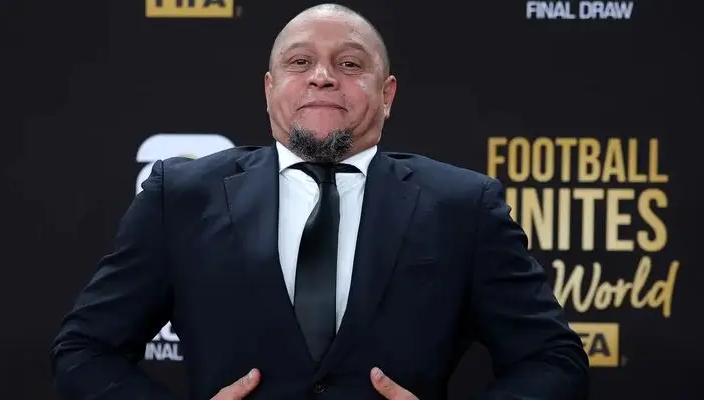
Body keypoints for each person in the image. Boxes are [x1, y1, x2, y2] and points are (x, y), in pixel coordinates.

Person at [50, 3, 589, 399]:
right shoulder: (182, 197)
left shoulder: (463, 206)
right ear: (269, 89)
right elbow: (84, 350)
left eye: (350, 64)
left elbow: (553, 360)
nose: (323, 77)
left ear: (387, 94)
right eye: (300, 61)